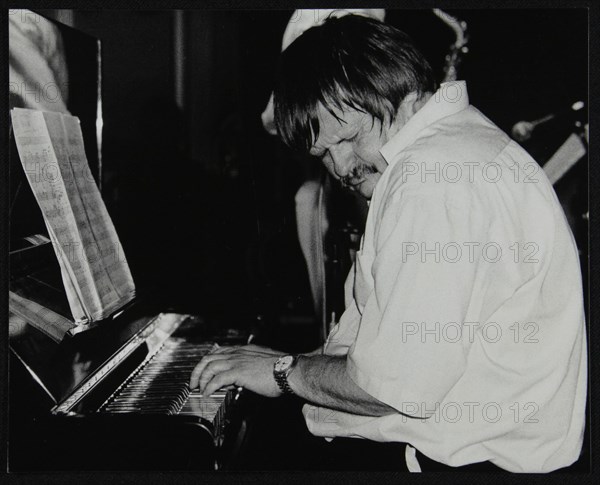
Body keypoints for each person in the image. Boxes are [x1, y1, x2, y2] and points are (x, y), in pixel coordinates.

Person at [190, 15, 587, 473]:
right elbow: (395, 351)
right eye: (322, 154)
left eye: (351, 138)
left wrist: (283, 372)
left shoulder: (429, 178)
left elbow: (393, 388)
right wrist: (297, 363)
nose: (340, 167)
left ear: (403, 93)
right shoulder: (455, 147)